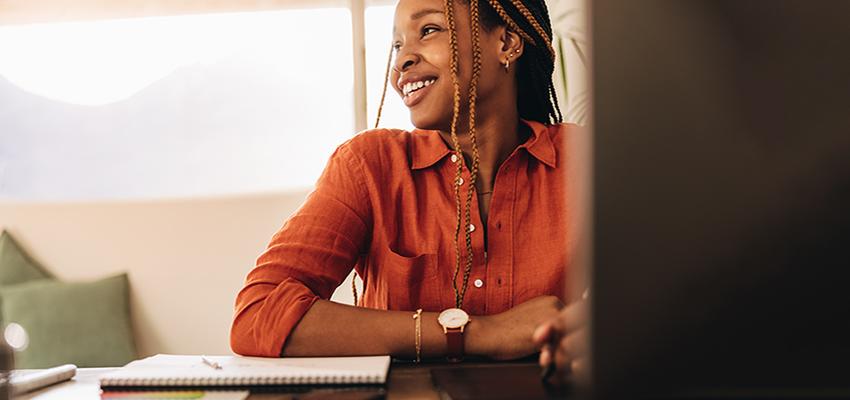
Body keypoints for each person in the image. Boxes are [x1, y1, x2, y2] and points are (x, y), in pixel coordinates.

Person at [230, 0, 587, 367]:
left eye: (429, 30)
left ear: (507, 43)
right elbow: (259, 314)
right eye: (397, 46)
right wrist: (481, 333)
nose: (401, 61)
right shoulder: (370, 166)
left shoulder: (585, 161)